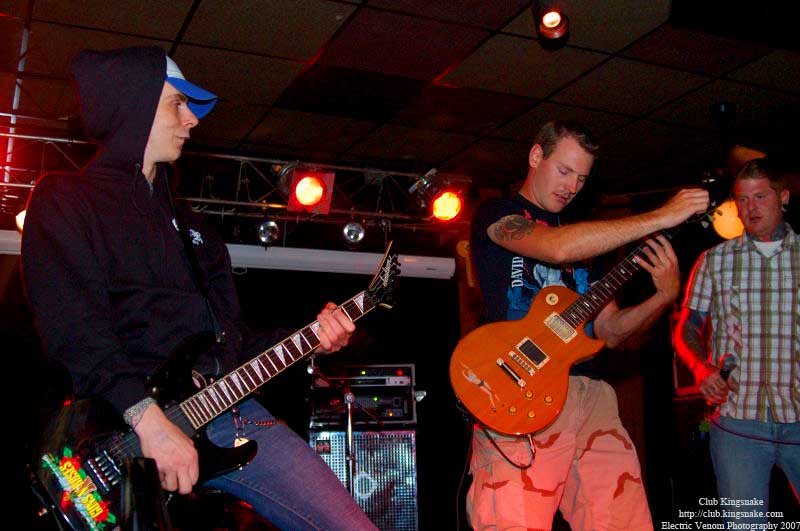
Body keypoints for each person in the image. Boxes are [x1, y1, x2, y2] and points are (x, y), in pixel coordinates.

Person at [21, 46, 377, 530]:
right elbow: (73, 326)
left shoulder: (197, 233)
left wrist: (313, 338)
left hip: (230, 412)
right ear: (134, 106)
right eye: (177, 103)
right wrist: (147, 419)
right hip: (124, 428)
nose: (191, 119)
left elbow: (233, 343)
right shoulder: (68, 200)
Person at [467, 120, 709, 530]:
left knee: (624, 522)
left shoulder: (587, 240)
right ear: (536, 156)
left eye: (581, 178)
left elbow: (611, 330)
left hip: (590, 396)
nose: (572, 186)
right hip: (520, 391)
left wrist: (662, 298)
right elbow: (556, 248)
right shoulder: (500, 215)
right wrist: (662, 216)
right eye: (564, 171)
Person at [673, 157, 798, 525]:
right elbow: (687, 327)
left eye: (760, 197)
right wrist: (701, 369)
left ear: (783, 197)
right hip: (738, 422)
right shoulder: (714, 261)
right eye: (742, 199)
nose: (750, 208)